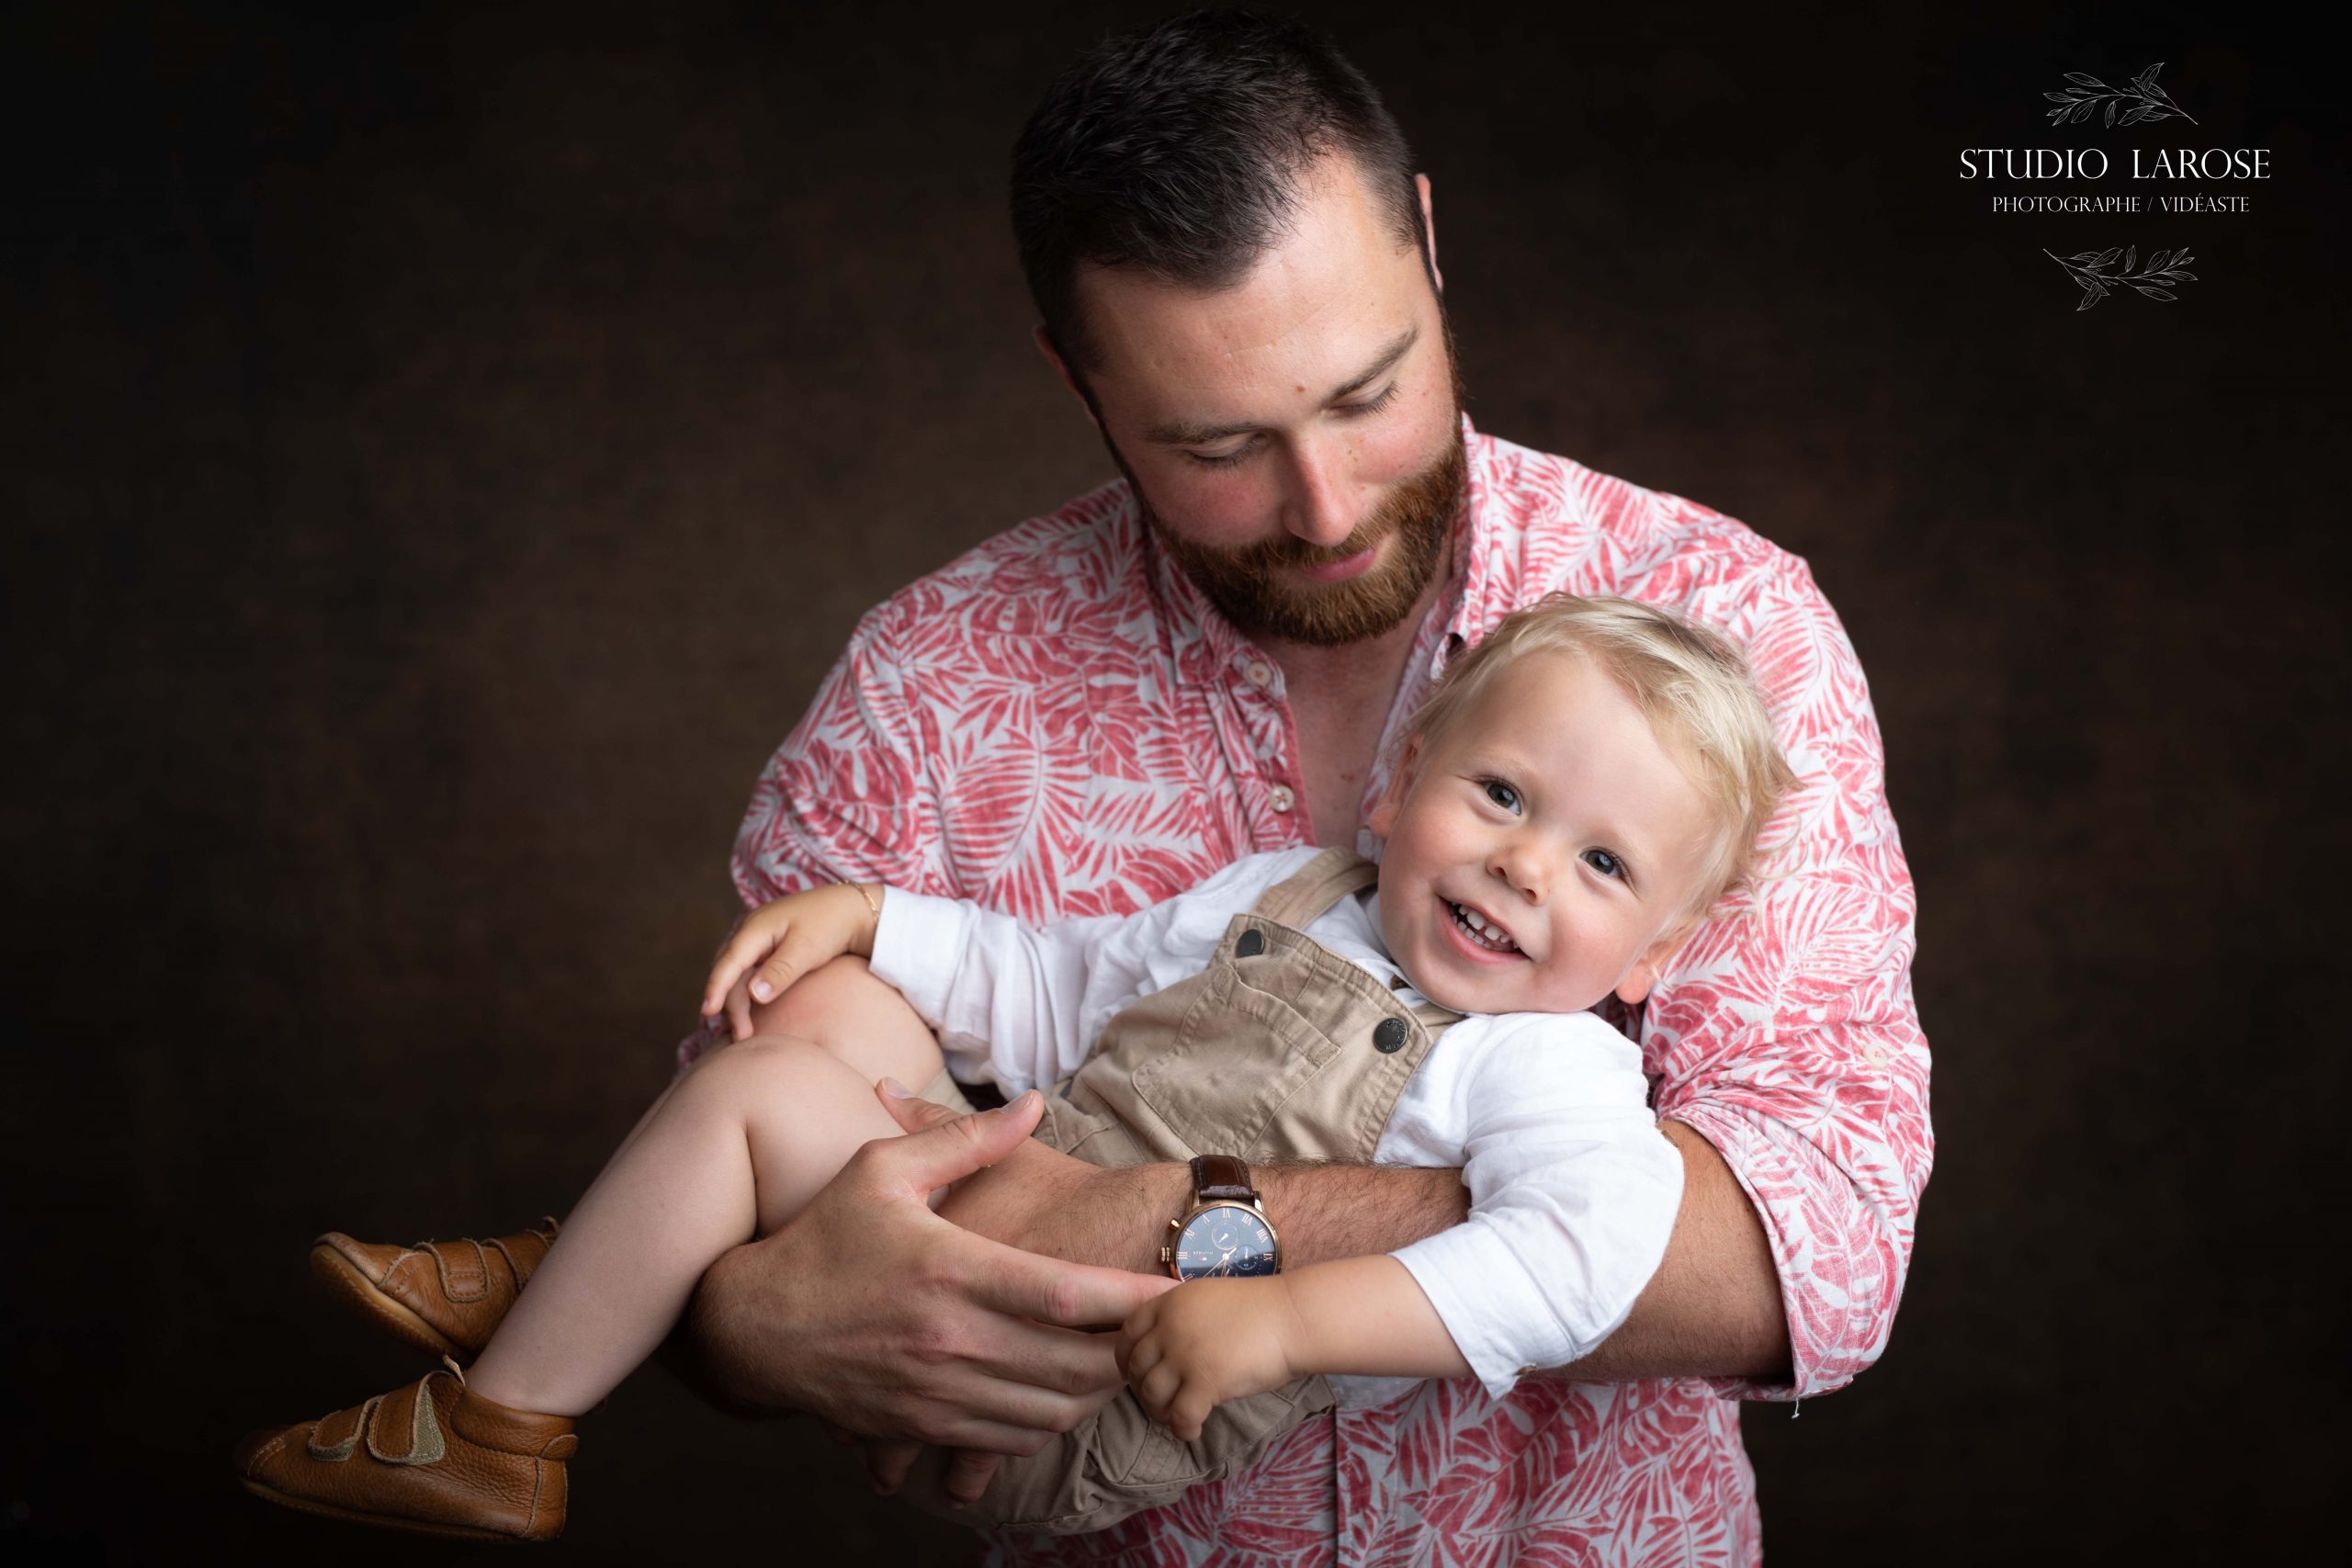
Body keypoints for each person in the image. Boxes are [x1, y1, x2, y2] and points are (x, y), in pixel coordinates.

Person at [286, 10, 1930, 1561]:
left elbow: (1816, 1245)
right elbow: (771, 1213)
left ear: (1428, 242)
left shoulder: (1726, 634)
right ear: (1080, 381)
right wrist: (744, 1323)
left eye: (1370, 391)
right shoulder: (933, 690)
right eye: (1221, 444)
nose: (1329, 502)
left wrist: (1183, 1226)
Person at [232, 595, 1796, 1540]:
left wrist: (1289, 1317)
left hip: (1070, 1391)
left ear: (1655, 954)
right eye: (1503, 794)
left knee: (750, 1101)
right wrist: (876, 919)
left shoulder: (1543, 1069)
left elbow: (1589, 1258)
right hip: (987, 1230)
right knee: (828, 1012)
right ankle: (582, 1274)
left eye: (1602, 864)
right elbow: (1054, 988)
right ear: (1400, 787)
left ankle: (499, 1433)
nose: (1526, 867)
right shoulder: (1290, 894)